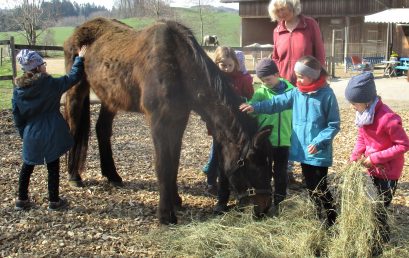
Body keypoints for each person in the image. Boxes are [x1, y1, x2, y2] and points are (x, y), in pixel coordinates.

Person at [240, 55, 339, 226]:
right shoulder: (297, 92)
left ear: (314, 76)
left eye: (301, 76)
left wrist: (319, 142)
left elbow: (333, 124)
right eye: (297, 75)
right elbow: (276, 103)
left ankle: (332, 217)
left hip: (318, 151)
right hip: (303, 151)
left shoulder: (327, 95)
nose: (297, 79)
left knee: (320, 186)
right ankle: (317, 216)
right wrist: (255, 107)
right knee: (309, 185)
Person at [13, 46, 87, 211]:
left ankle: (21, 199)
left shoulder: (18, 91)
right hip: (52, 130)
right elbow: (73, 77)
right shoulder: (50, 84)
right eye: (43, 63)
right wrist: (79, 59)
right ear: (38, 67)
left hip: (31, 132)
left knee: (27, 166)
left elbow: (17, 115)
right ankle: (54, 201)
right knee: (53, 166)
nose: (45, 66)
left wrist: (23, 133)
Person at [345, 72, 409, 243]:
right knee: (369, 206)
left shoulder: (388, 119)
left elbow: (403, 145)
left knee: (379, 209)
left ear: (366, 101)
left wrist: (374, 158)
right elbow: (361, 139)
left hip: (388, 173)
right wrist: (354, 158)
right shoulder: (364, 115)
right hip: (371, 170)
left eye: (354, 103)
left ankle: (380, 241)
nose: (352, 107)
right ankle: (370, 236)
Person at [268, 0, 326, 183]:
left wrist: (320, 79)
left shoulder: (310, 25)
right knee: (287, 128)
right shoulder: (277, 30)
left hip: (307, 85)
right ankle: (287, 171)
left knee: (307, 126)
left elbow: (320, 54)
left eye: (283, 9)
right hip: (285, 86)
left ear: (294, 8)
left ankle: (309, 170)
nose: (280, 13)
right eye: (276, 11)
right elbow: (276, 58)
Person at [205, 46, 254, 208]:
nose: (226, 69)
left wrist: (243, 101)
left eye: (229, 65)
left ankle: (241, 194)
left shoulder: (242, 79)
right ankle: (222, 197)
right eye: (222, 65)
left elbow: (250, 96)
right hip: (220, 129)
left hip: (238, 129)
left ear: (236, 64)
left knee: (241, 160)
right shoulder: (213, 80)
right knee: (221, 161)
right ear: (216, 64)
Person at [249, 58, 293, 209]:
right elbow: (252, 110)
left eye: (268, 79)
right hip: (266, 142)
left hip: (285, 140)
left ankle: (280, 201)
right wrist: (247, 107)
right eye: (262, 80)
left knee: (281, 173)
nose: (265, 82)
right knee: (265, 174)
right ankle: (265, 203)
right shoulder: (261, 93)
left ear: (277, 74)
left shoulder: (291, 90)